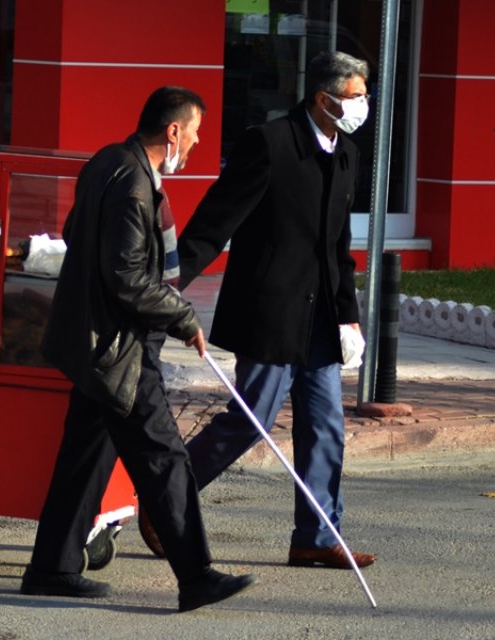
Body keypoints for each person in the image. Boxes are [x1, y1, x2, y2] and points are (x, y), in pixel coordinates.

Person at [21, 86, 256, 613]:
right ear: (172, 130)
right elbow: (125, 275)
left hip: (96, 339)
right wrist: (182, 316)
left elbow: (79, 237)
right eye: (193, 133)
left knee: (85, 455)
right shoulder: (131, 183)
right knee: (165, 458)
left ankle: (51, 567)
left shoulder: (108, 160)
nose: (194, 144)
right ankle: (196, 576)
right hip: (118, 347)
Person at [153, 51, 378, 570]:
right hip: (271, 313)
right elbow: (216, 220)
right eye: (355, 97)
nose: (362, 106)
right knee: (250, 420)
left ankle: (318, 538)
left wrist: (349, 316)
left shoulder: (346, 154)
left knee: (325, 427)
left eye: (366, 96)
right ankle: (165, 499)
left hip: (321, 318)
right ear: (324, 99)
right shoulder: (271, 143)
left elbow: (338, 246)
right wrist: (167, 287)